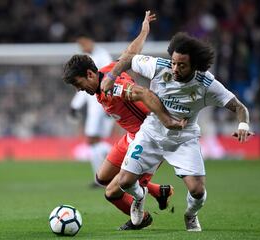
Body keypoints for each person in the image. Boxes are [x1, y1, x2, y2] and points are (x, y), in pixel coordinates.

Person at [101, 11, 254, 231]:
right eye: (173, 62)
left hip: (183, 139)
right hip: (151, 134)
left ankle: (191, 215)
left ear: (195, 66)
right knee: (124, 182)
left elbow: (239, 107)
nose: (175, 69)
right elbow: (128, 58)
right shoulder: (159, 66)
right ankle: (139, 197)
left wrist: (243, 125)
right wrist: (111, 76)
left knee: (197, 191)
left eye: (181, 65)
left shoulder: (207, 84)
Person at [63, 11, 187, 230]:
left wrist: (167, 121)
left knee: (111, 192)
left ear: (90, 75)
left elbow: (140, 93)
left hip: (150, 140)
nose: (79, 90)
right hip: (131, 136)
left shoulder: (112, 89)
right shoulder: (108, 72)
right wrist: (144, 30)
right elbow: (131, 52)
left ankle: (142, 218)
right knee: (101, 177)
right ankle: (160, 191)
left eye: (78, 83)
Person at [69, 33, 115, 187]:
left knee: (92, 140)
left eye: (83, 43)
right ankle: (101, 177)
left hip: (102, 105)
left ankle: (120, 156)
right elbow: (82, 88)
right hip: (94, 106)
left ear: (90, 40)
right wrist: (75, 105)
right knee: (93, 142)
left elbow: (110, 78)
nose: (82, 47)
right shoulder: (86, 58)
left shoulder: (103, 56)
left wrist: (110, 106)